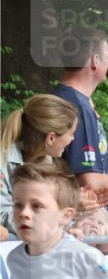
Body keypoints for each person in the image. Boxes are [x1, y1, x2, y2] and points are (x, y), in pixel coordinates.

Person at [50, 26, 108, 196]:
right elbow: (89, 183)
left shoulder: (63, 96)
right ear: (95, 61)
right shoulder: (78, 106)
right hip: (81, 217)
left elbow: (76, 168)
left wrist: (106, 167)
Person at [1, 94, 79, 236]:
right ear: (51, 138)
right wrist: (56, 227)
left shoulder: (47, 163)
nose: (72, 139)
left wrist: (73, 203)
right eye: (71, 133)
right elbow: (3, 215)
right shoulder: (3, 159)